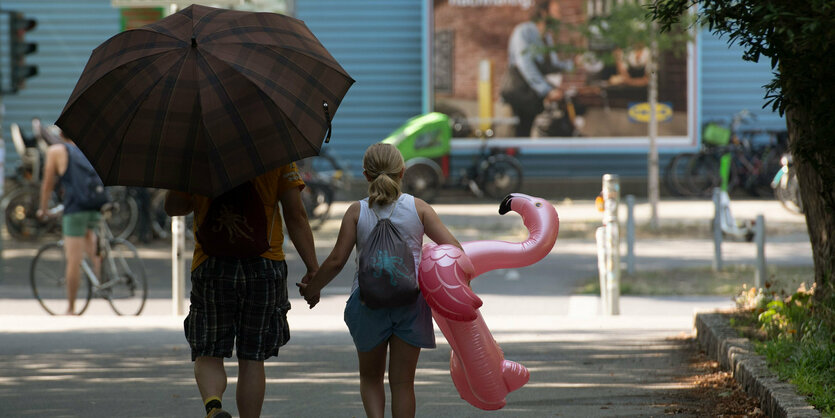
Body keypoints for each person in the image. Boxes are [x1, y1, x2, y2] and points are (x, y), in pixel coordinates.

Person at [297, 143, 462, 418]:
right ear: (403, 172)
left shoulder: (356, 212)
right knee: (403, 384)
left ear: (366, 175)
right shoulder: (419, 209)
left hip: (367, 303)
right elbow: (455, 250)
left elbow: (337, 260)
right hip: (411, 303)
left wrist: (313, 289)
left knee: (371, 380)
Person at [164, 163, 319, 418]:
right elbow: (296, 215)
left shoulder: (199, 155)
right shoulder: (275, 153)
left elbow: (173, 208)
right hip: (265, 264)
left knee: (208, 351)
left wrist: (185, 177)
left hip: (212, 265)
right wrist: (313, 269)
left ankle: (213, 407)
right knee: (252, 357)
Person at [37, 130, 103, 315]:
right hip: (94, 205)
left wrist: (43, 210)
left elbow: (48, 183)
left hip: (75, 209)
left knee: (74, 259)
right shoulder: (87, 149)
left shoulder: (56, 150)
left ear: (60, 133)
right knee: (92, 242)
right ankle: (104, 282)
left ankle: (71, 308)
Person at [502, 0, 577, 137]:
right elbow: (525, 64)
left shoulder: (546, 37)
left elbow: (552, 64)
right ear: (544, 12)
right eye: (556, 12)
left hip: (532, 96)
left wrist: (573, 64)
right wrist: (546, 90)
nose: (559, 16)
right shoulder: (524, 31)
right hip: (520, 94)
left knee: (528, 133)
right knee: (517, 135)